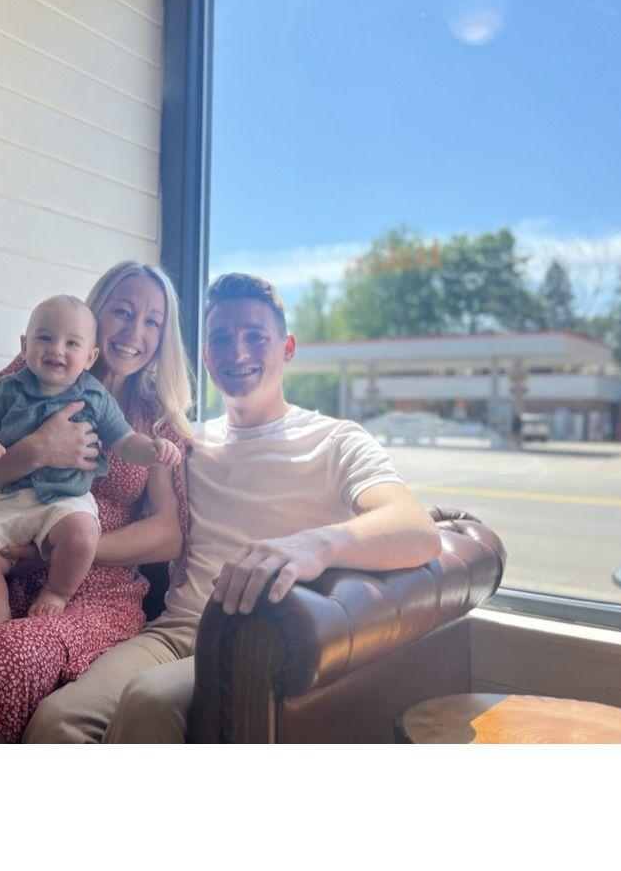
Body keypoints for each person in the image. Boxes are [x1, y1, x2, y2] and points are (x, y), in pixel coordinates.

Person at [22, 272, 443, 743]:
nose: (237, 353)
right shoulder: (189, 443)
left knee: (149, 701)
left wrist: (314, 546)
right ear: (206, 356)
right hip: (174, 631)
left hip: (259, 641)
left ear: (287, 348)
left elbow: (416, 529)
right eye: (221, 339)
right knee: (59, 719)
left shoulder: (335, 439)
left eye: (255, 337)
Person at [0, 261, 194, 743]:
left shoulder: (157, 417)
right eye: (123, 312)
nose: (135, 332)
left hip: (95, 593)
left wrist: (60, 552)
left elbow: (168, 535)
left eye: (152, 322)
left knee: (12, 656)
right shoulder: (26, 376)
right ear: (95, 315)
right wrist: (36, 450)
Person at [0, 294, 181, 626]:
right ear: (24, 345)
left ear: (90, 356)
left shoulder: (95, 397)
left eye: (71, 343)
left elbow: (124, 441)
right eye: (45, 338)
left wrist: (151, 449)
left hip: (66, 500)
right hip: (10, 497)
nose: (56, 350)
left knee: (81, 532)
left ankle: (56, 592)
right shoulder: (10, 387)